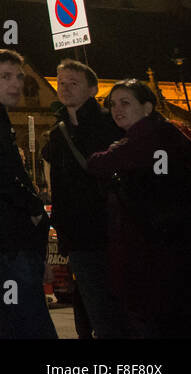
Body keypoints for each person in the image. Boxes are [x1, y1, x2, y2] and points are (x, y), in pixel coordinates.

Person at [85, 79, 191, 338]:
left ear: (147, 107)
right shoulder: (164, 132)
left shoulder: (148, 136)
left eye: (125, 102)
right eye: (112, 104)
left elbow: (99, 163)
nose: (116, 109)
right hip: (171, 246)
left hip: (160, 252)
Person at [0, 48, 57, 339]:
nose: (16, 84)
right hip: (8, 238)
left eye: (18, 77)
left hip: (7, 237)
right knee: (30, 318)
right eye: (5, 77)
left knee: (16, 317)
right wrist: (32, 208)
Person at [39, 59, 126, 338]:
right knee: (90, 305)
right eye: (60, 82)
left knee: (115, 306)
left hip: (112, 228)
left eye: (73, 83)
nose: (64, 88)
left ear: (93, 89)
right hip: (77, 234)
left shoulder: (108, 125)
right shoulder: (58, 130)